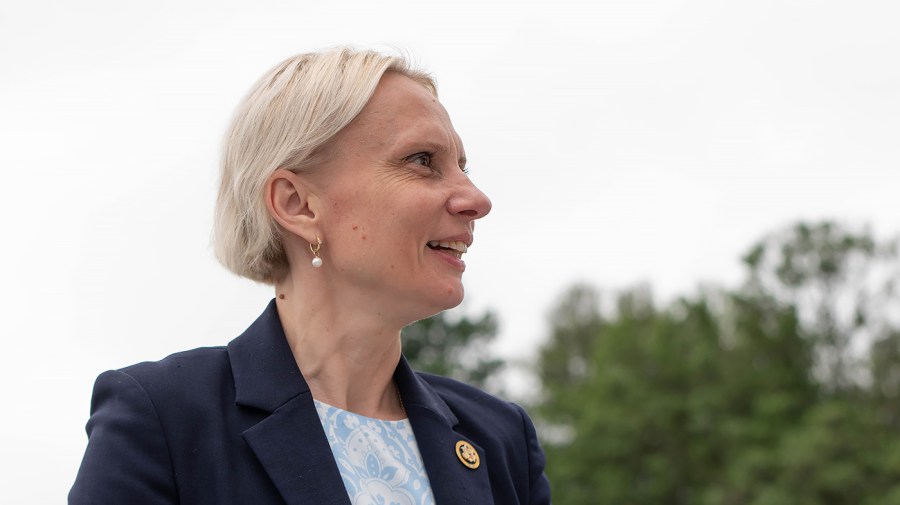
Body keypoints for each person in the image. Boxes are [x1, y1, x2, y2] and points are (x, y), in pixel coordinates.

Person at [69, 47, 551, 505]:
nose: (476, 200)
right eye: (422, 161)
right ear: (296, 204)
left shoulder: (499, 437)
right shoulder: (164, 418)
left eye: (463, 167)